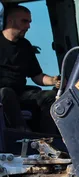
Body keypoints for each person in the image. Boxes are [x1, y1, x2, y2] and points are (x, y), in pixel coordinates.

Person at [0, 4, 61, 134]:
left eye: (29, 22)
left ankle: (48, 137)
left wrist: (53, 81)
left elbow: (37, 76)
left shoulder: (25, 46)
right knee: (5, 93)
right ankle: (23, 134)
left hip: (20, 94)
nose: (28, 26)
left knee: (50, 96)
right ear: (11, 20)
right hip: (3, 94)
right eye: (24, 21)